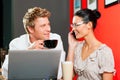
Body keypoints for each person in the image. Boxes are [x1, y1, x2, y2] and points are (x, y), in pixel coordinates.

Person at [2, 7, 66, 80]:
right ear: (30, 29)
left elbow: (59, 73)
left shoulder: (55, 39)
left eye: (48, 24)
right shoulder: (16, 43)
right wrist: (28, 52)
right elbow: (6, 73)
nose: (49, 29)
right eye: (43, 26)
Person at [67, 9, 116, 80]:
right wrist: (71, 46)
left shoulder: (104, 52)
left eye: (76, 25)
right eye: (72, 25)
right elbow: (68, 76)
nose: (73, 29)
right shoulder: (78, 48)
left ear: (89, 25)